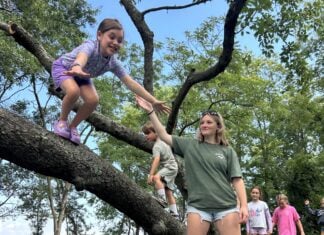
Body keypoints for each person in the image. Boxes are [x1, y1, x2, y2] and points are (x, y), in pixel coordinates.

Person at [136, 95, 248, 235]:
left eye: (209, 122)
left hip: (226, 206)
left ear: (218, 126)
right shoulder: (190, 145)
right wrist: (150, 111)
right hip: (198, 207)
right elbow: (164, 135)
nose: (204, 125)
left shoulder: (227, 151)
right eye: (202, 123)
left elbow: (237, 179)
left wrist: (243, 205)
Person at [51, 18, 169, 144]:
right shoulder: (90, 46)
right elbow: (82, 56)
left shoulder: (113, 63)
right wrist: (77, 66)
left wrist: (153, 101)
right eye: (111, 37)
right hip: (64, 68)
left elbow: (130, 83)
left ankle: (72, 126)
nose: (115, 42)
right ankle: (62, 121)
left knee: (93, 100)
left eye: (119, 40)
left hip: (82, 76)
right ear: (99, 35)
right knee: (73, 91)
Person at [142, 121, 179, 219]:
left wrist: (151, 175)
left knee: (156, 177)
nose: (146, 136)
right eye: (145, 134)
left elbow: (156, 160)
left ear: (156, 132)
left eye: (148, 133)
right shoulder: (164, 141)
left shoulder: (157, 146)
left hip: (170, 166)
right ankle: (175, 214)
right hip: (174, 167)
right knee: (168, 191)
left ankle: (162, 200)